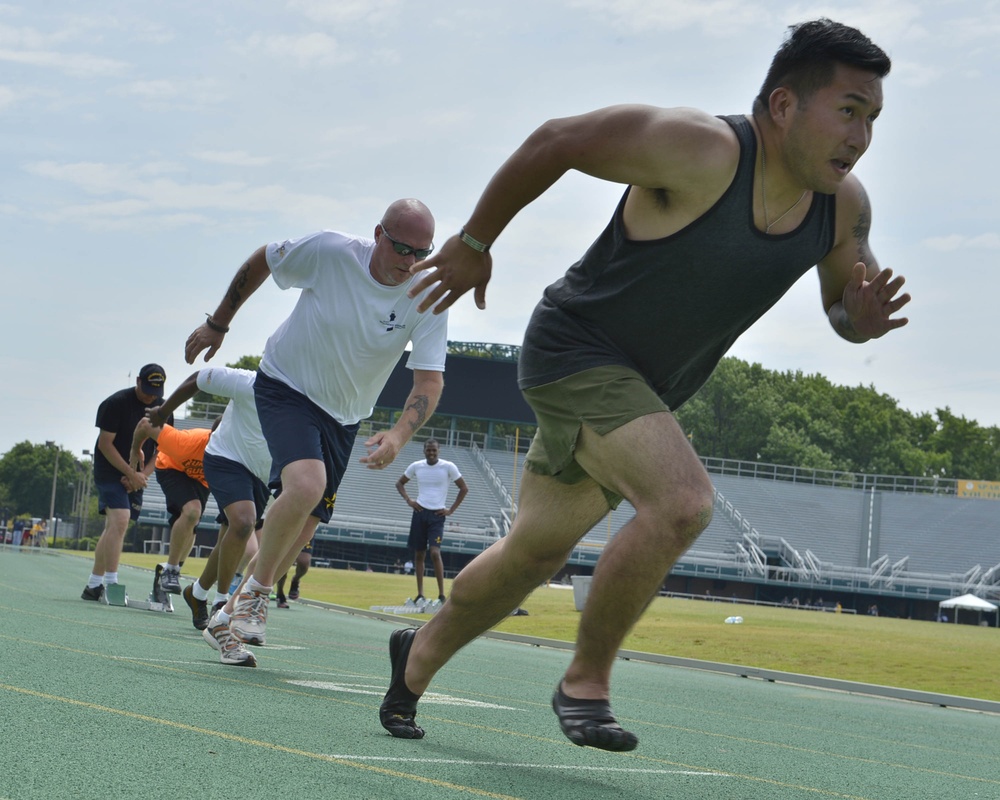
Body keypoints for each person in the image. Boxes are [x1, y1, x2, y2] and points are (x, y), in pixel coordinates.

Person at [379, 19, 910, 751]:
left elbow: (841, 309)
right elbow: (555, 140)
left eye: (873, 118)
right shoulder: (701, 148)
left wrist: (861, 319)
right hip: (576, 349)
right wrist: (473, 244)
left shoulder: (842, 207)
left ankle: (415, 661)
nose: (861, 136)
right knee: (682, 502)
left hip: (645, 391)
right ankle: (585, 682)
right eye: (848, 110)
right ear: (784, 105)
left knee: (535, 551)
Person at [184, 198, 449, 652]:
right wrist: (218, 323)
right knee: (307, 485)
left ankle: (225, 617)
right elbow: (264, 259)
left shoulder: (428, 295)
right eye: (403, 249)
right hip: (285, 384)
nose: (411, 263)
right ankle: (255, 598)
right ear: (379, 235)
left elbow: (429, 379)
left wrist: (401, 433)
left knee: (304, 528)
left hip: (345, 416)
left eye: (422, 253)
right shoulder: (331, 252)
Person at [146, 366, 272, 666]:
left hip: (263, 469)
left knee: (235, 534)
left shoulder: (307, 397)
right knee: (233, 523)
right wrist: (160, 417)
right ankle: (217, 604)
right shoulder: (248, 382)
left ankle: (198, 592)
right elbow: (197, 379)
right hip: (217, 459)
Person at [82, 364, 169, 601]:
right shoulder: (116, 403)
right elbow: (105, 444)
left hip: (137, 475)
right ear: (138, 381)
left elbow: (161, 450)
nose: (152, 396)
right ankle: (111, 581)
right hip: (110, 469)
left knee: (115, 527)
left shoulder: (163, 409)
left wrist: (141, 476)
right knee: (120, 519)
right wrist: (129, 473)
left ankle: (93, 585)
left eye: (157, 391)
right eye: (148, 389)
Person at [132, 418, 212, 594]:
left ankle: (172, 568)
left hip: (201, 479)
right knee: (192, 511)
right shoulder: (186, 442)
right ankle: (171, 570)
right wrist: (135, 449)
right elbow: (146, 423)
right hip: (171, 467)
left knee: (193, 523)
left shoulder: (233, 454)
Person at [395, 438, 469, 605]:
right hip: (420, 512)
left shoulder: (448, 466)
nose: (431, 453)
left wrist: (451, 510)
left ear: (439, 451)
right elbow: (399, 483)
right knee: (419, 554)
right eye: (428, 450)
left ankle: (442, 594)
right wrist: (409, 500)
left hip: (437, 515)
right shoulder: (416, 466)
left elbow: (464, 488)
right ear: (424, 451)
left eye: (434, 450)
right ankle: (420, 594)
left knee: (435, 553)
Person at [275, 538, 312, 609]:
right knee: (283, 565)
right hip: (286, 531)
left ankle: (295, 580)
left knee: (304, 562)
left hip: (304, 531)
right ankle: (280, 593)